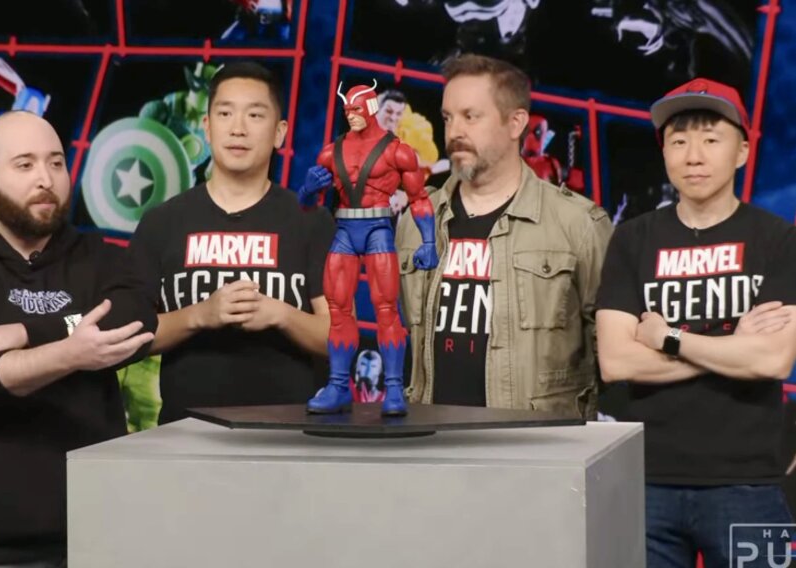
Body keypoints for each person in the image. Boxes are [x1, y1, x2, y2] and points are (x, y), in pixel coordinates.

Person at [0, 110, 157, 568]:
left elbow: (137, 319)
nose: (46, 179)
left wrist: (26, 331)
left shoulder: (98, 257)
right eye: (25, 165)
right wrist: (72, 352)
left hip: (94, 538)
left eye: (55, 163)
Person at [596, 78, 796, 568]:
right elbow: (616, 361)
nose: (694, 156)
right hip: (648, 483)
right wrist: (732, 346)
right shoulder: (632, 239)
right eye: (679, 140)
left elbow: (774, 359)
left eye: (710, 139)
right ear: (664, 153)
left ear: (742, 151)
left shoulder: (779, 240)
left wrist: (668, 338)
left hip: (751, 485)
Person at [396, 54, 612, 415]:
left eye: (470, 116)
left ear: (515, 124)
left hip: (535, 441)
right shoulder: (417, 221)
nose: (454, 132)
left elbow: (613, 353)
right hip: (431, 437)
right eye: (448, 117)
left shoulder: (579, 224)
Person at [130, 61, 334, 424]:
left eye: (255, 115)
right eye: (225, 113)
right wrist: (200, 315)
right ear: (207, 127)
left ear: (279, 132)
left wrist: (281, 315)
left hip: (288, 437)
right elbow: (130, 336)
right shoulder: (161, 223)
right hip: (185, 435)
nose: (238, 128)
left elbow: (341, 339)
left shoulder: (311, 221)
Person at [298, 79, 439, 416]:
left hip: (378, 229)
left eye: (357, 109)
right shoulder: (331, 152)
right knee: (338, 310)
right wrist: (307, 188)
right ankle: (337, 386)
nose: (351, 115)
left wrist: (429, 241)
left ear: (371, 108)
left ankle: (394, 389)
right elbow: (306, 205)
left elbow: (419, 198)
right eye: (347, 110)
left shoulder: (398, 151)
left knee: (387, 309)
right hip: (345, 230)